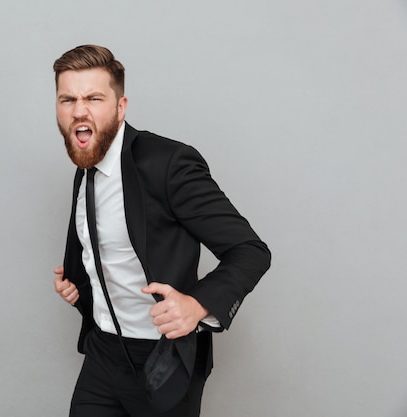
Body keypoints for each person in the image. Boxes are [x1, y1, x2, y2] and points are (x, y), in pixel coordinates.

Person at [52, 44, 271, 417]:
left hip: (163, 358)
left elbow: (251, 251)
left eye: (93, 98)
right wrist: (81, 283)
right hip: (102, 353)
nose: (79, 110)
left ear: (120, 107)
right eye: (67, 99)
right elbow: (108, 248)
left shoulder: (168, 164)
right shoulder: (85, 165)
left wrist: (197, 304)